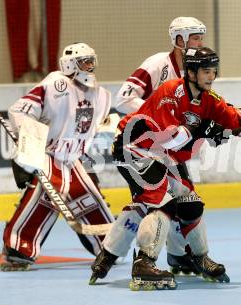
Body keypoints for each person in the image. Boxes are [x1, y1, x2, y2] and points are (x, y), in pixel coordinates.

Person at [113, 47, 241, 290]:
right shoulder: (170, 92)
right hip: (135, 150)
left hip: (163, 157)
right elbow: (168, 138)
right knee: (164, 204)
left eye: (213, 71)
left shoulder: (209, 99)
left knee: (190, 204)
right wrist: (202, 128)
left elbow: (235, 121)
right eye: (205, 71)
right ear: (190, 72)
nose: (210, 76)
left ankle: (196, 256)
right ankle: (143, 264)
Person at [90, 16, 209, 283]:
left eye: (201, 37)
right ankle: (135, 260)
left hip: (166, 148)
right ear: (179, 40)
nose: (201, 42)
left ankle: (176, 254)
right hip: (137, 147)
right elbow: (124, 98)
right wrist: (158, 118)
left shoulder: (194, 70)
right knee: (158, 202)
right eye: (195, 37)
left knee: (186, 198)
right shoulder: (158, 64)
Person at [0, 42, 114, 271]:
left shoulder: (101, 94)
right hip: (50, 156)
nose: (90, 67)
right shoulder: (55, 84)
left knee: (88, 198)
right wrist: (30, 148)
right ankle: (18, 249)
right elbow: (20, 110)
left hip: (75, 160)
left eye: (92, 61)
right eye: (85, 62)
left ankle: (110, 246)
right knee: (43, 199)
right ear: (70, 64)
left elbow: (98, 127)